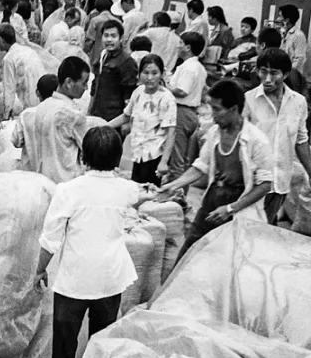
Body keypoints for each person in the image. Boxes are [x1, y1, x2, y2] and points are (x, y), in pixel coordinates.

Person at [35, 126, 151, 358]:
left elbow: (50, 240)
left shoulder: (68, 191)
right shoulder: (127, 189)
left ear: (83, 156)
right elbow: (145, 193)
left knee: (65, 344)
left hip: (75, 281)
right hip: (111, 278)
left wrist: (39, 270)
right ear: (118, 159)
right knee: (101, 344)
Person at [157, 80, 273, 258]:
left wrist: (230, 209)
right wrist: (173, 185)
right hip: (212, 202)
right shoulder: (214, 133)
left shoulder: (257, 141)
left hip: (239, 208)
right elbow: (200, 167)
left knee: (228, 260)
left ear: (234, 109)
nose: (213, 116)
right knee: (189, 253)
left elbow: (265, 185)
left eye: (217, 110)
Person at [243, 48, 311, 224]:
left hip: (280, 182)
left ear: (285, 74)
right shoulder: (248, 100)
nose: (268, 79)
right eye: (263, 72)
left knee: (266, 227)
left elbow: (301, 140)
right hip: (253, 182)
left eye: (274, 73)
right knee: (249, 229)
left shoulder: (298, 102)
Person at [12, 56, 92, 184]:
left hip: (42, 182)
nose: (86, 88)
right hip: (66, 183)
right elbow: (89, 150)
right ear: (69, 82)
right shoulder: (73, 114)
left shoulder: (42, 107)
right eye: (84, 83)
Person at [106, 54, 177, 184]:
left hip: (154, 156)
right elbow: (126, 115)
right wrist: (105, 126)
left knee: (148, 193)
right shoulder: (138, 92)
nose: (150, 78)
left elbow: (171, 132)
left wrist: (164, 162)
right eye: (146, 73)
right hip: (137, 153)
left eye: (154, 73)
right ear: (139, 74)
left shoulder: (167, 98)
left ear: (161, 74)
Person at [168, 31, 208, 178]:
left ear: (187, 47)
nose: (178, 46)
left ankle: (174, 193)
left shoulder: (189, 68)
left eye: (180, 43)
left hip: (182, 112)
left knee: (176, 156)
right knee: (185, 158)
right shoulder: (199, 67)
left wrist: (165, 87)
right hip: (192, 113)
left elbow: (182, 91)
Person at [0, 23, 46, 120]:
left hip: (27, 100)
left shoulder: (9, 58)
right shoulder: (28, 51)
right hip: (40, 96)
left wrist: (6, 115)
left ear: (1, 40)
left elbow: (9, 89)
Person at [89, 19, 138, 121]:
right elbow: (95, 87)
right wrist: (90, 110)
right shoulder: (102, 56)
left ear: (121, 38)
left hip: (114, 117)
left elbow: (129, 95)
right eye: (106, 35)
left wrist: (126, 121)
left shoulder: (127, 61)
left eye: (113, 36)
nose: (109, 40)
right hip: (97, 113)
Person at [82, 0, 117, 67]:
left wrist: (83, 53)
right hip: (114, 57)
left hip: (97, 57)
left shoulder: (95, 21)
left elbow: (89, 41)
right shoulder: (117, 21)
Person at [276, 4, 308, 76]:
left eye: (280, 16)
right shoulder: (283, 33)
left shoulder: (299, 35)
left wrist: (289, 73)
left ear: (287, 20)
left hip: (292, 75)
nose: (277, 19)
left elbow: (300, 59)